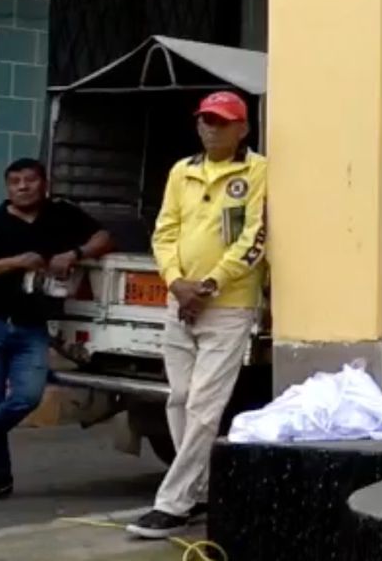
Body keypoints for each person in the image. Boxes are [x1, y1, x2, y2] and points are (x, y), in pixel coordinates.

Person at [128, 91, 267, 541]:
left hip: (227, 306)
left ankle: (172, 503)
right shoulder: (181, 172)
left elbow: (256, 238)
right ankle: (201, 489)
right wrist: (175, 282)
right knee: (180, 398)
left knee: (205, 407)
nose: (211, 128)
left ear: (241, 128)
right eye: (206, 120)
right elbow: (165, 230)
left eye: (222, 122)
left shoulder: (258, 170)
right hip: (180, 303)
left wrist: (208, 285)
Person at [0, 158, 112, 500]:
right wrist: (14, 262)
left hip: (31, 327)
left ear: (43, 183)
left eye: (29, 180)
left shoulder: (61, 214)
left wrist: (75, 253)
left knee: (27, 396)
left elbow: (104, 237)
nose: (22, 187)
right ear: (7, 188)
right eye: (15, 181)